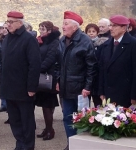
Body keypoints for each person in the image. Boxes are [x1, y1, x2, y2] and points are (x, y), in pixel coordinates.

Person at [0, 11, 41, 150]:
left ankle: (28, 146)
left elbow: (35, 65)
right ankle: (20, 144)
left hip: (23, 89)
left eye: (11, 22)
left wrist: (31, 87)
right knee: (15, 121)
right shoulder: (7, 38)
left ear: (20, 23)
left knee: (26, 121)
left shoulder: (28, 39)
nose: (8, 25)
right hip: (9, 88)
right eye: (7, 22)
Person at [58, 11, 97, 150]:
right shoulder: (62, 41)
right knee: (67, 118)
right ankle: (71, 144)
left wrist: (87, 87)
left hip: (80, 89)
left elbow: (91, 67)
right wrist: (58, 80)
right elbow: (59, 64)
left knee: (81, 119)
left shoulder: (85, 41)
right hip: (65, 88)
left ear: (75, 26)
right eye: (63, 23)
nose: (63, 26)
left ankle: (81, 145)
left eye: (66, 23)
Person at [98, 15, 136, 108]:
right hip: (108, 93)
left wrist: (135, 95)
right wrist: (101, 91)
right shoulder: (106, 45)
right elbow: (102, 70)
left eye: (114, 26)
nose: (111, 28)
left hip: (125, 94)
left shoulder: (134, 44)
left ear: (124, 28)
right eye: (110, 25)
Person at [35, 21, 60, 140]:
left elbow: (50, 58)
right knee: (46, 105)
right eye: (40, 28)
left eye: (43, 29)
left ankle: (50, 130)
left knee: (47, 105)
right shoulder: (41, 41)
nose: (40, 30)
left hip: (49, 76)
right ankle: (47, 128)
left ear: (49, 30)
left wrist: (38, 69)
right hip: (42, 75)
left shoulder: (54, 41)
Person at [85, 23, 108, 107]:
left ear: (97, 33)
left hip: (97, 76)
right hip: (86, 76)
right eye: (89, 31)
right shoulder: (84, 43)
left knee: (98, 102)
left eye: (93, 31)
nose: (91, 33)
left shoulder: (102, 44)